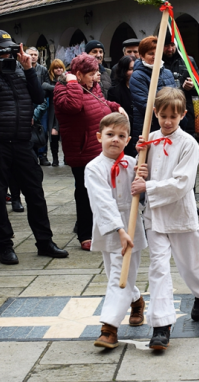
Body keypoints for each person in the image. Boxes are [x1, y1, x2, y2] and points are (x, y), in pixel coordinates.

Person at [0, 30, 69, 264]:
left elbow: (37, 97)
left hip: (22, 140)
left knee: (35, 193)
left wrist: (29, 69)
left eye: (10, 49)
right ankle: (4, 246)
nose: (7, 54)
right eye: (2, 49)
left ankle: (45, 242)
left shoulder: (21, 71)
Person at [131, 88, 199, 351]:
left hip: (179, 213)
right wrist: (139, 166)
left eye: (173, 116)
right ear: (155, 112)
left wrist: (150, 187)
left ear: (183, 115)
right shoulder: (149, 140)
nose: (168, 121)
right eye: (163, 115)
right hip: (154, 217)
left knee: (190, 263)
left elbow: (182, 183)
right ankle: (161, 325)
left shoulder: (188, 144)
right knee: (158, 268)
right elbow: (140, 173)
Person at [85, 113, 147, 349]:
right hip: (110, 226)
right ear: (100, 136)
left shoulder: (133, 163)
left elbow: (142, 197)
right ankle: (136, 300)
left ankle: (109, 327)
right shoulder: (93, 168)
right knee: (114, 272)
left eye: (121, 136)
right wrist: (119, 230)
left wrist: (143, 180)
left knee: (120, 278)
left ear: (128, 139)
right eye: (110, 135)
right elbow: (101, 202)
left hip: (132, 224)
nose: (115, 140)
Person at [55, 54, 126, 250]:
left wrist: (115, 107)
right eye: (92, 74)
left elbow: (100, 104)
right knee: (85, 192)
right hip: (81, 150)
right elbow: (74, 105)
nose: (96, 77)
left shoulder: (91, 86)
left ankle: (102, 228)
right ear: (78, 74)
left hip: (98, 148)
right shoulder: (63, 90)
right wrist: (72, 83)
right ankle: (85, 233)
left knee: (103, 190)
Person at [128, 36, 176, 156]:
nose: (155, 56)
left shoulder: (167, 73)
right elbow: (144, 105)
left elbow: (176, 97)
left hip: (170, 126)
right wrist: (168, 115)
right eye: (150, 53)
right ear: (142, 56)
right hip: (149, 127)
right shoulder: (137, 76)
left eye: (158, 52)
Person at [162, 34, 199, 135]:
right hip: (164, 112)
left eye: (172, 45)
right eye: (166, 46)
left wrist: (192, 86)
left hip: (186, 111)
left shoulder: (188, 61)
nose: (170, 49)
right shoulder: (157, 62)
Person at [36, 59, 65, 167]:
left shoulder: (66, 79)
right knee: (53, 135)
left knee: (64, 134)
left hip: (63, 109)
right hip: (52, 110)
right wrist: (59, 88)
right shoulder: (49, 79)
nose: (59, 70)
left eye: (60, 67)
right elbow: (44, 86)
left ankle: (66, 158)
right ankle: (55, 159)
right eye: (56, 68)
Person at [27, 47, 52, 166]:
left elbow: (46, 85)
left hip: (41, 102)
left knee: (43, 129)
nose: (33, 56)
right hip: (27, 102)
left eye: (35, 54)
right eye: (31, 54)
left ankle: (43, 155)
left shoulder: (42, 69)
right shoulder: (22, 68)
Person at [107, 55, 135, 154]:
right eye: (130, 69)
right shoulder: (114, 91)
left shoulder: (141, 88)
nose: (134, 72)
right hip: (124, 133)